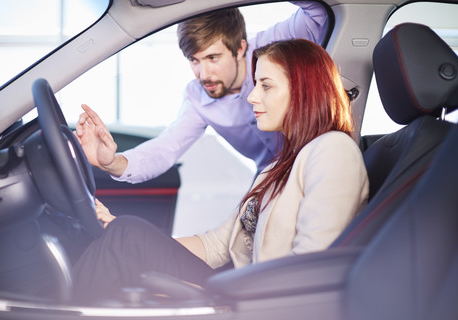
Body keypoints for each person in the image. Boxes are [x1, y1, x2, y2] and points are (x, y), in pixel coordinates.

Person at [72, 39, 369, 304]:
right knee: (128, 233)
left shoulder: (333, 150)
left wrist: (223, 293)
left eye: (266, 86)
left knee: (128, 235)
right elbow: (216, 245)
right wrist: (131, 237)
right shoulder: (277, 167)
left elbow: (311, 269)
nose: (252, 97)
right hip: (243, 287)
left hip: (266, 299)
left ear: (303, 91)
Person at [74, 2, 328, 183]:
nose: (203, 73)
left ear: (240, 48)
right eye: (194, 60)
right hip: (269, 176)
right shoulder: (197, 97)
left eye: (213, 57)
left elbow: (320, 13)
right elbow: (166, 148)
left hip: (315, 164)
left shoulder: (273, 46)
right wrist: (112, 162)